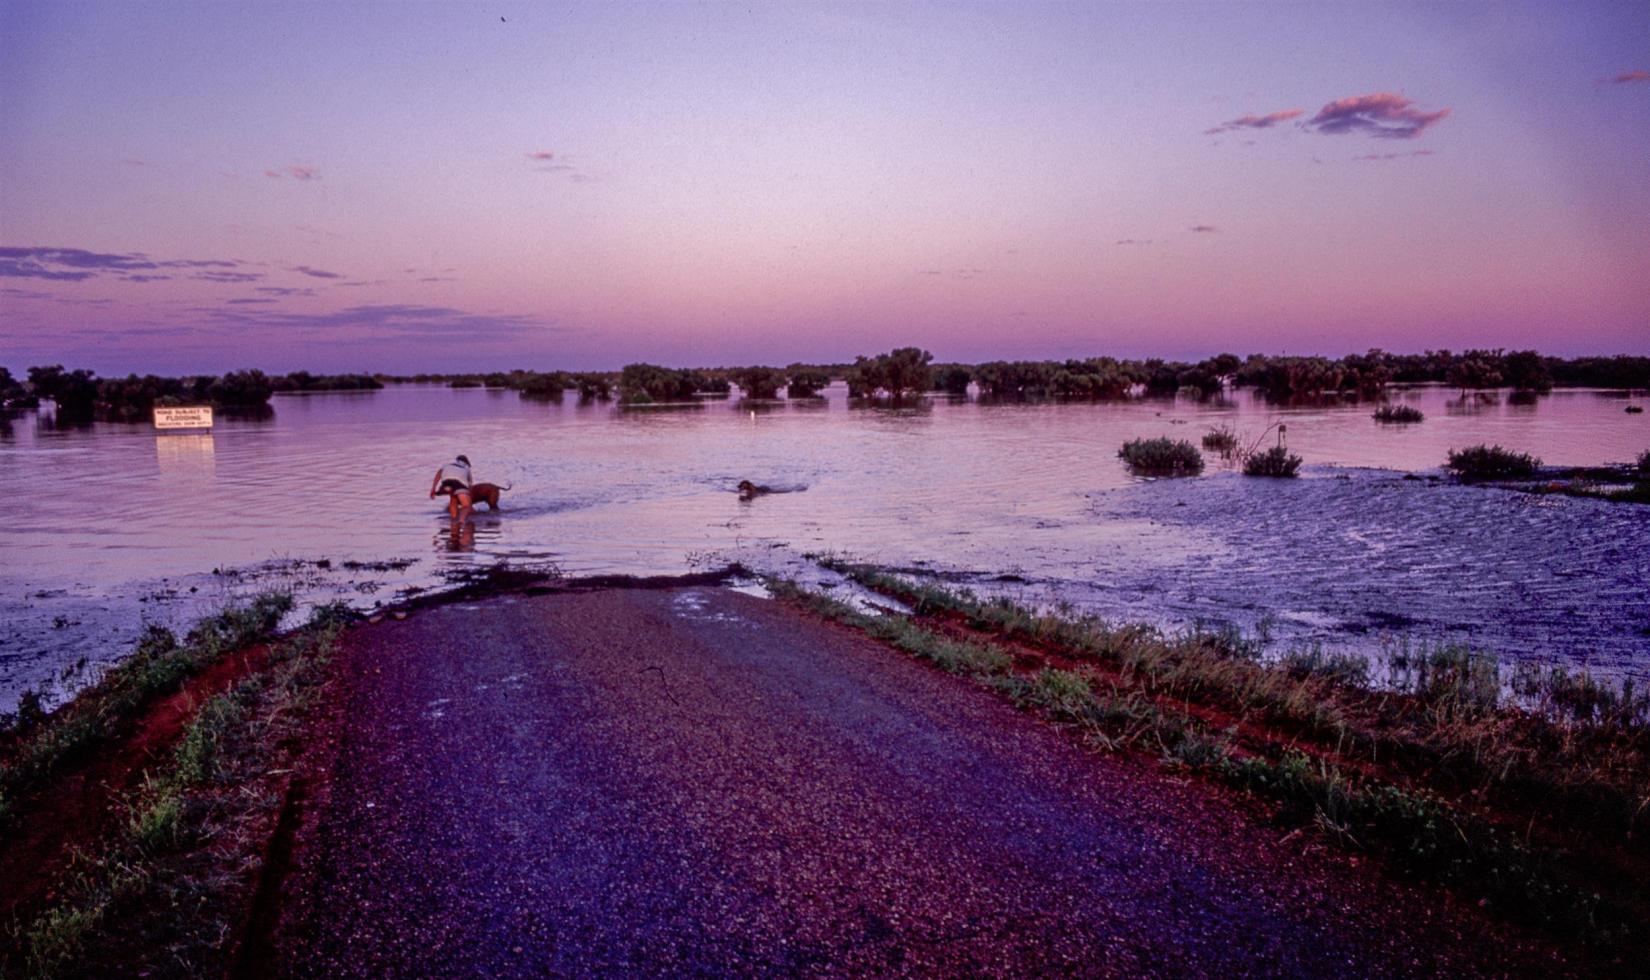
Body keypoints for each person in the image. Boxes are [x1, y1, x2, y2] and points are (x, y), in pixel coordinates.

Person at [429, 454, 474, 522]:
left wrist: (433, 488)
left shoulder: (447, 465)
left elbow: (439, 473)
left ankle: (454, 519)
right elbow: (470, 486)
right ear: (466, 462)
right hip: (459, 483)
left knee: (453, 498)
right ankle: (461, 521)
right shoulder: (466, 467)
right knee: (466, 506)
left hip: (446, 482)